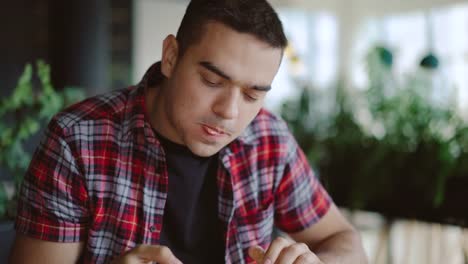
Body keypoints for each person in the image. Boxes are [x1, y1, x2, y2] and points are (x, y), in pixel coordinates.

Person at [9, 0, 368, 263]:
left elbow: (344, 240)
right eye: (212, 81)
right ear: (170, 56)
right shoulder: (77, 141)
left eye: (252, 94)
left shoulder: (269, 139)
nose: (229, 112)